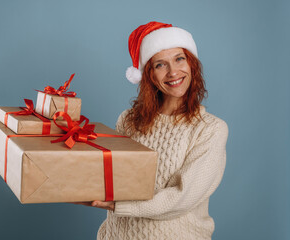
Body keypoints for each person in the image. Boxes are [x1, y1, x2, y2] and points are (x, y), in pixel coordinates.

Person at [89, 21, 228, 239]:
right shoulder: (127, 121)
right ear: (150, 75)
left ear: (191, 64)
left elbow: (181, 198)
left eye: (179, 59)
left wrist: (120, 206)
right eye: (160, 65)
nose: (173, 72)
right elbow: (110, 178)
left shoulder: (210, 129)